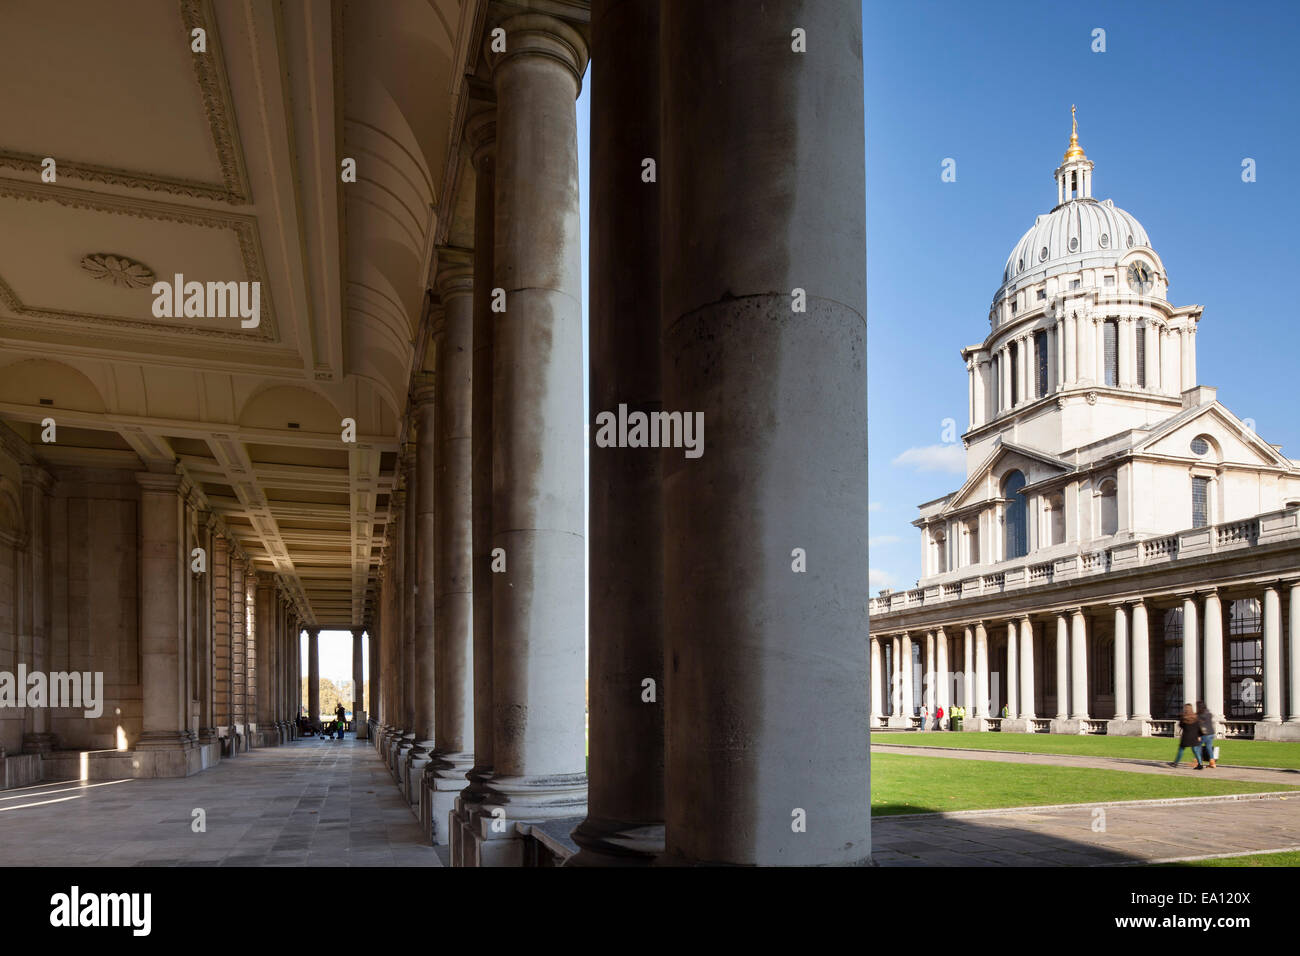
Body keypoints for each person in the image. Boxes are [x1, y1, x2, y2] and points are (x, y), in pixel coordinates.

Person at [1170, 703, 1204, 769]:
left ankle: (1175, 763)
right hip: (1194, 736)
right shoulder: (1196, 717)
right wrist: (1199, 735)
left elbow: (1181, 726)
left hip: (1186, 736)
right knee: (1195, 751)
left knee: (1181, 750)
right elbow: (1199, 728)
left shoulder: (1183, 718)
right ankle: (1200, 764)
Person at [1197, 700, 1217, 769]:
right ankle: (1212, 763)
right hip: (1211, 733)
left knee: (1198, 747)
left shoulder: (1200, 715)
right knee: (1209, 748)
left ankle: (1199, 762)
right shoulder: (1209, 713)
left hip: (1204, 734)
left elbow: (1199, 726)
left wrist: (1198, 735)